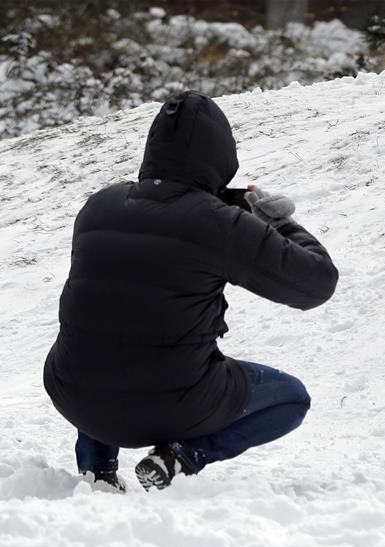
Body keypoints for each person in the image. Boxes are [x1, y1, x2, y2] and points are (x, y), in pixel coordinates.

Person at [43, 90, 338, 492]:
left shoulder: (99, 206)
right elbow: (316, 283)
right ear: (221, 156)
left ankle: (97, 470)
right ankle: (181, 456)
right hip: (170, 404)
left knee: (109, 329)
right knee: (290, 398)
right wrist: (277, 221)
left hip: (71, 392)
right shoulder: (221, 224)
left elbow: (159, 238)